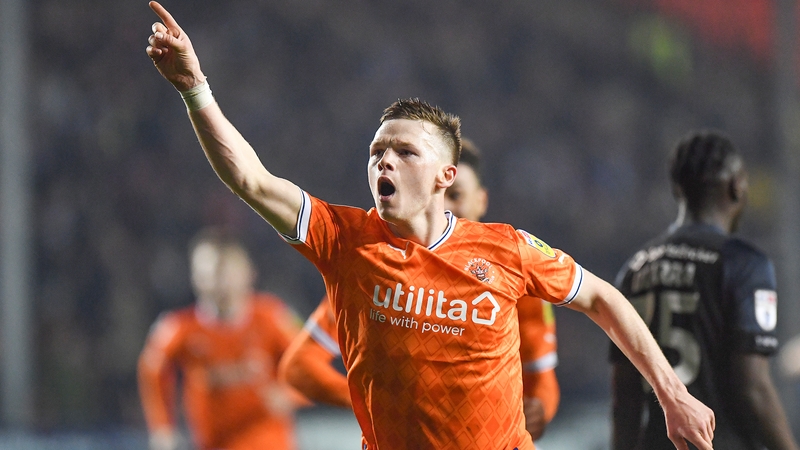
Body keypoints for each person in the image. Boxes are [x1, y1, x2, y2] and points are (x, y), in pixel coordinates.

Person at [145, 3, 715, 448]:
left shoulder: (507, 250)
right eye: (376, 151)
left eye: (403, 151)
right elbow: (251, 179)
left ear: (446, 174)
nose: (383, 161)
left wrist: (672, 394)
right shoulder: (344, 239)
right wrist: (196, 89)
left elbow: (601, 297)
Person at [277, 139, 560, 442]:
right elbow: (299, 366)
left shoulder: (513, 276)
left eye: (456, 195)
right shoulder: (374, 273)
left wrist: (541, 408)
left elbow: (542, 376)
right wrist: (383, 403)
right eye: (435, 193)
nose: (444, 204)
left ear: (482, 200)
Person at [610, 130, 799, 450]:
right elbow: (752, 387)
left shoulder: (635, 268)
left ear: (677, 188)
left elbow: (624, 399)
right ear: (737, 185)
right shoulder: (744, 263)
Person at [138, 228, 305, 450]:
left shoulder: (273, 315)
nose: (217, 280)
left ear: (248, 272)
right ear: (195, 276)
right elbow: (151, 370)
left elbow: (312, 359)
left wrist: (289, 394)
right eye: (207, 272)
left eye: (223, 270)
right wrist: (162, 428)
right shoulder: (178, 328)